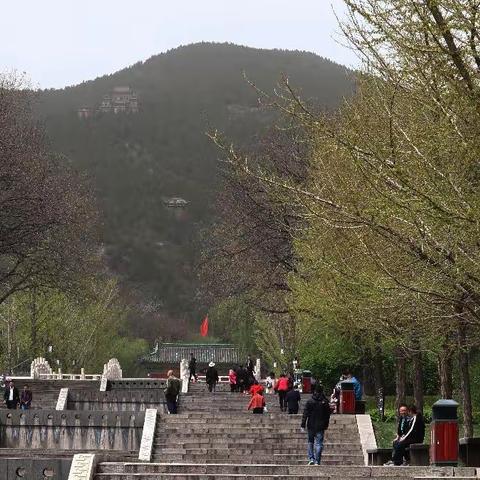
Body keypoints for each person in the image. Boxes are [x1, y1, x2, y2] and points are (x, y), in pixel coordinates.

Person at [301, 385, 331, 465]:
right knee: (319, 443)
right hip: (321, 425)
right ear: (322, 391)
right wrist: (326, 424)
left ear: (315, 391)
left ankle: (311, 458)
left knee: (310, 442)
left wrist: (303, 424)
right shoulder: (325, 402)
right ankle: (317, 461)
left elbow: (305, 413)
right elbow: (327, 415)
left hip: (311, 425)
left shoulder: (310, 401)